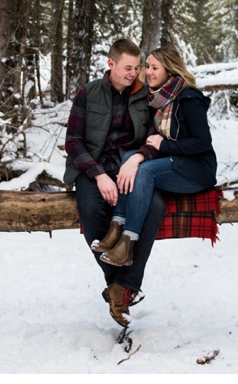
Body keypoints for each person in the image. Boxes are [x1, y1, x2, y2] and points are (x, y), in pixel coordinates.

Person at [63, 38, 166, 328]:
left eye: (137, 67)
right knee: (91, 207)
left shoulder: (146, 95)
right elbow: (73, 142)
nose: (134, 73)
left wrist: (137, 160)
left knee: (155, 207)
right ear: (111, 64)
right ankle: (118, 286)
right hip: (91, 167)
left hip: (129, 166)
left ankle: (124, 286)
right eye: (127, 67)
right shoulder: (88, 93)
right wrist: (97, 174)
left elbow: (153, 138)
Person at [93, 46, 217, 277]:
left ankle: (128, 243)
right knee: (130, 157)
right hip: (173, 161)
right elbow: (151, 140)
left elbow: (202, 142)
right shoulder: (159, 99)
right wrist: (135, 157)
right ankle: (116, 226)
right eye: (147, 66)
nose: (147, 72)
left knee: (146, 171)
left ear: (169, 70)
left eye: (153, 67)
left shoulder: (188, 98)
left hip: (197, 170)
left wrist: (164, 146)